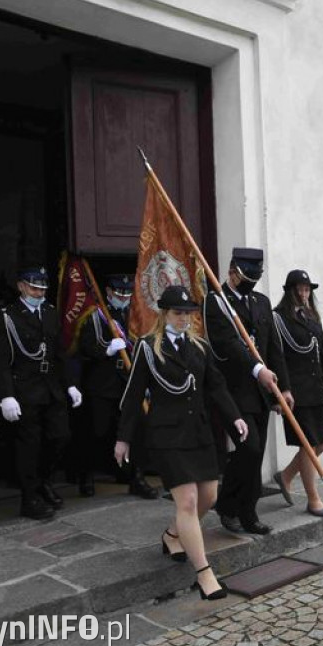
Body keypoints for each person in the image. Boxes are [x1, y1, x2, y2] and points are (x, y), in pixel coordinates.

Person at [115, 285, 248, 601]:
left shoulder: (199, 347)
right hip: (167, 437)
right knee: (187, 502)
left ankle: (173, 535)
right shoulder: (148, 347)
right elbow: (133, 396)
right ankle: (204, 575)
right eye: (178, 313)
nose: (184, 319)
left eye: (188, 313)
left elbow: (216, 387)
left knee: (209, 497)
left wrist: (235, 417)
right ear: (164, 314)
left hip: (199, 435)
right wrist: (124, 438)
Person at [203, 248, 291, 535]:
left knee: (256, 453)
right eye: (245, 277)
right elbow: (228, 344)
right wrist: (258, 371)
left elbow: (272, 348)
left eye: (255, 278)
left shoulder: (262, 303)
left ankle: (247, 512)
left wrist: (284, 388)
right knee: (248, 447)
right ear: (232, 272)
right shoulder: (216, 302)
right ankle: (228, 505)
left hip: (261, 394)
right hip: (232, 392)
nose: (250, 282)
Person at [0, 266, 83, 520]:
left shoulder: (50, 312)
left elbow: (59, 353)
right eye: (34, 287)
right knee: (29, 445)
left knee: (60, 436)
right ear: (21, 286)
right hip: (24, 390)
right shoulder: (6, 316)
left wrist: (70, 384)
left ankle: (43, 481)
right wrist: (5, 395)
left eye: (42, 288)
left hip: (51, 388)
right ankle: (29, 497)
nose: (39, 292)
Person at [272, 270, 323, 518]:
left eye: (307, 290)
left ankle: (285, 476)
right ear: (290, 290)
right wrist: (281, 391)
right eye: (300, 289)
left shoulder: (311, 316)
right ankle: (313, 499)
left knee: (321, 443)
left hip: (315, 388)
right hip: (295, 391)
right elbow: (276, 356)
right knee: (308, 444)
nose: (305, 294)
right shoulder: (278, 318)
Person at [76, 274, 157, 499]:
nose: (123, 297)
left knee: (134, 429)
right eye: (119, 293)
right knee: (97, 431)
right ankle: (87, 476)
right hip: (102, 383)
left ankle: (136, 477)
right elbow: (84, 348)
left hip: (129, 380)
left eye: (127, 293)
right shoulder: (95, 316)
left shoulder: (133, 315)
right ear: (109, 292)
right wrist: (106, 349)